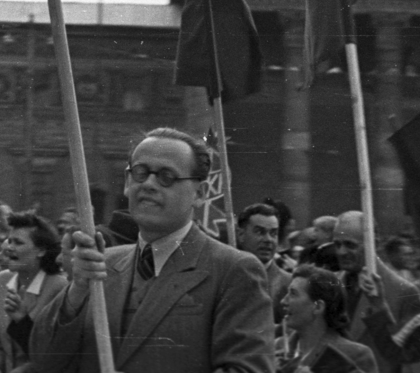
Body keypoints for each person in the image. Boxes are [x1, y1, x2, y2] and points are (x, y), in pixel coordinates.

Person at [31, 126, 273, 373]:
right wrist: (78, 290)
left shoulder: (232, 270)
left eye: (166, 177)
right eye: (140, 172)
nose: (148, 184)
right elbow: (44, 361)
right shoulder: (100, 267)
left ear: (199, 193)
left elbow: (248, 369)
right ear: (127, 183)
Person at [328, 210, 420, 373]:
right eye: (337, 244)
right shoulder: (329, 285)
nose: (341, 252)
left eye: (350, 245)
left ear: (373, 243)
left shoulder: (406, 292)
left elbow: (417, 361)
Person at [0, 211, 68, 373]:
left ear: (41, 251)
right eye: (9, 241)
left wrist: (22, 320)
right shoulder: (1, 280)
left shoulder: (58, 287)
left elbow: (53, 353)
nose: (9, 248)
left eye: (18, 242)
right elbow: (1, 342)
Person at [280, 266, 378, 373]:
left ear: (318, 307)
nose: (283, 301)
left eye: (293, 294)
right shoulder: (276, 348)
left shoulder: (355, 355)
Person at [240, 202, 294, 320]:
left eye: (273, 233)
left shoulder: (289, 284)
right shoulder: (224, 277)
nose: (268, 240)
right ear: (241, 234)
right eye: (260, 232)